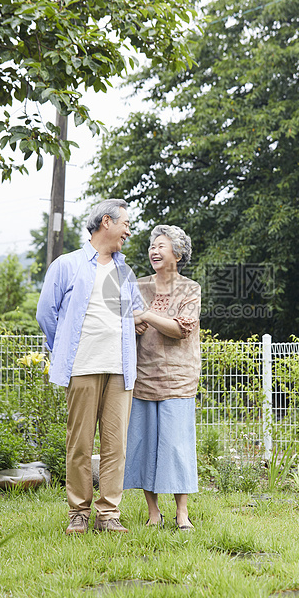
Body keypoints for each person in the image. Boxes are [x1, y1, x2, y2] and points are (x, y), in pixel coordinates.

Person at [36, 199, 143, 535]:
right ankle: (78, 512)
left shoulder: (126, 272)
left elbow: (137, 315)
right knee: (79, 443)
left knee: (116, 445)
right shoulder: (67, 265)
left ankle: (109, 513)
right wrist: (66, 347)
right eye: (125, 223)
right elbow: (45, 314)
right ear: (106, 222)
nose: (128, 230)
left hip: (120, 368)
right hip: (81, 366)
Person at [123, 224, 201, 530]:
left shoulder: (190, 288)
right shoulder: (139, 286)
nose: (154, 251)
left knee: (176, 445)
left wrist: (146, 316)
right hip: (143, 376)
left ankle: (182, 511)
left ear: (177, 254)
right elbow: (125, 321)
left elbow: (182, 329)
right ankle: (153, 511)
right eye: (152, 246)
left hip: (178, 378)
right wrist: (134, 322)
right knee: (144, 445)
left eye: (161, 246)